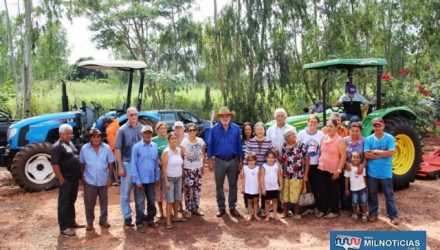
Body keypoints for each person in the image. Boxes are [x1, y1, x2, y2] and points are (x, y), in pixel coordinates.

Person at [207, 106, 243, 217]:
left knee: (233, 185)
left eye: (227, 115)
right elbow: (210, 144)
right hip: (219, 161)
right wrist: (209, 160)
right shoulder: (214, 129)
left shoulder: (236, 128)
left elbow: (239, 145)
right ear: (220, 117)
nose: (225, 117)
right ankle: (221, 207)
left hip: (233, 160)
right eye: (223, 116)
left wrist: (240, 160)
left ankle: (232, 207)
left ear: (230, 117)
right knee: (219, 185)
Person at [364, 117, 399, 225]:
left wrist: (376, 151)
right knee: (372, 194)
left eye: (379, 125)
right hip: (372, 173)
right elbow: (366, 155)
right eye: (375, 125)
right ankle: (373, 213)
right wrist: (383, 154)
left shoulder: (389, 138)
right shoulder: (369, 139)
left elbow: (391, 152)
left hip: (385, 173)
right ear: (373, 127)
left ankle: (393, 215)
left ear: (383, 126)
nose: (377, 127)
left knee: (389, 195)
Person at [51, 124, 85, 236]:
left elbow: (75, 158)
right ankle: (64, 227)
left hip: (74, 178)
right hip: (65, 179)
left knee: (71, 201)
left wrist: (80, 177)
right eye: (68, 133)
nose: (70, 135)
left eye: (71, 133)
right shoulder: (57, 147)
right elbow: (55, 164)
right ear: (61, 134)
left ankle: (71, 222)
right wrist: (61, 178)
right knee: (64, 203)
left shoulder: (70, 144)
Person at [114, 107, 145, 227]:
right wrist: (120, 167)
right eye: (131, 114)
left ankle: (141, 215)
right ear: (127, 116)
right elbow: (117, 149)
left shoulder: (143, 129)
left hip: (140, 165)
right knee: (125, 193)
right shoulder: (121, 130)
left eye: (135, 114)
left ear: (138, 115)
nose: (133, 116)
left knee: (140, 192)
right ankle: (127, 217)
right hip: (127, 164)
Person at [80, 128, 115, 231]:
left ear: (101, 138)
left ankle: (103, 220)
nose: (96, 138)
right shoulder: (84, 149)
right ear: (90, 138)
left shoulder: (107, 148)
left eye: (98, 136)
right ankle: (89, 222)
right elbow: (81, 163)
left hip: (103, 180)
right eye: (93, 136)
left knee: (104, 201)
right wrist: (82, 177)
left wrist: (110, 178)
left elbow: (110, 164)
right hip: (90, 180)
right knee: (89, 202)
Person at [131, 125, 161, 232]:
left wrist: (157, 177)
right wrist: (137, 181)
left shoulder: (154, 146)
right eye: (146, 133)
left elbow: (156, 163)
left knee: (151, 201)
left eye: (149, 133)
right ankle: (139, 223)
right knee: (139, 202)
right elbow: (133, 165)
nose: (148, 135)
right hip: (140, 180)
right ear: (141, 134)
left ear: (152, 134)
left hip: (151, 180)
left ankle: (150, 220)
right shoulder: (136, 147)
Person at [316, 119, 347, 219]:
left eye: (331, 126)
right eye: (327, 126)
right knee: (322, 190)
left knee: (333, 190)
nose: (328, 128)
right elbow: (321, 152)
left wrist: (338, 170)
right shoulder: (324, 137)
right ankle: (323, 209)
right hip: (322, 168)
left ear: (336, 127)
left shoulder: (339, 140)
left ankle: (334, 210)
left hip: (333, 170)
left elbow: (343, 156)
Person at [297, 114, 324, 217]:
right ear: (307, 123)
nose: (313, 124)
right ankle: (306, 207)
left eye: (315, 122)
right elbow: (298, 149)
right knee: (305, 187)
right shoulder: (301, 134)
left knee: (317, 187)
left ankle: (317, 207)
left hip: (318, 165)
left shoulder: (321, 134)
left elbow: (322, 149)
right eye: (311, 122)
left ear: (318, 124)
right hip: (304, 165)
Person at [281, 129, 308, 220]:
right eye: (291, 134)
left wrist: (306, 174)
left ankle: (297, 212)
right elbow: (283, 160)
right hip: (286, 174)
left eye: (294, 134)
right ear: (287, 138)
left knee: (297, 194)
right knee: (285, 194)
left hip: (298, 174)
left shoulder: (301, 145)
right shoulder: (284, 146)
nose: (294, 135)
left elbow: (307, 159)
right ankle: (285, 212)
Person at [181, 123, 206, 218]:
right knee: (188, 190)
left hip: (198, 169)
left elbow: (203, 154)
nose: (192, 132)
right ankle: (188, 209)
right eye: (190, 130)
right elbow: (183, 156)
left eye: (193, 130)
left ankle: (196, 208)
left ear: (196, 131)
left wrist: (202, 166)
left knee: (197, 189)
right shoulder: (184, 142)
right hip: (188, 169)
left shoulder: (201, 141)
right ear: (187, 132)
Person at [162, 132, 185, 229]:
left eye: (176, 138)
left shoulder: (179, 150)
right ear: (168, 140)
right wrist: (166, 181)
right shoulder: (166, 152)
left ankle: (175, 217)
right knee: (170, 200)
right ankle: (168, 221)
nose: (174, 140)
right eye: (172, 138)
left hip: (179, 178)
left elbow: (181, 164)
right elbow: (163, 168)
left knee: (177, 199)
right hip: (170, 179)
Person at [344, 152, 368, 222]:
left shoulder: (362, 167)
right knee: (354, 202)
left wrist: (366, 187)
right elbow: (346, 179)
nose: (356, 159)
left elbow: (364, 178)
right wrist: (346, 189)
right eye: (354, 157)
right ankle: (355, 213)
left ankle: (364, 214)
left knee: (364, 202)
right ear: (350, 159)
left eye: (358, 157)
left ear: (360, 159)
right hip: (353, 189)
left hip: (362, 188)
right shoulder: (348, 168)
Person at [260, 149, 283, 221]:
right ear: (265, 158)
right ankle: (267, 216)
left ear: (275, 158)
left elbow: (279, 176)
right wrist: (263, 188)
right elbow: (261, 178)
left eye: (272, 157)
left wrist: (281, 185)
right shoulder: (264, 166)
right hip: (267, 188)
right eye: (269, 157)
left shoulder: (276, 166)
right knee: (267, 202)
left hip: (275, 187)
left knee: (275, 201)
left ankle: (275, 215)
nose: (270, 159)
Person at [152, 122, 168, 218]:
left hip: (169, 169)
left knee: (168, 190)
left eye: (164, 128)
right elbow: (153, 155)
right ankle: (161, 211)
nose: (163, 130)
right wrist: (160, 163)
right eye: (160, 128)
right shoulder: (153, 141)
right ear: (157, 130)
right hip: (158, 169)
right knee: (159, 191)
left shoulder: (170, 139)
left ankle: (169, 210)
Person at [240, 152, 261, 221]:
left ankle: (255, 214)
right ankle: (250, 214)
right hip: (248, 189)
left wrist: (260, 189)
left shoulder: (258, 168)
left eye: (252, 160)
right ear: (247, 161)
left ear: (255, 161)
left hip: (255, 189)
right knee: (249, 202)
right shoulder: (245, 168)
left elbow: (259, 179)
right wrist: (243, 188)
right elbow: (243, 179)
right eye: (249, 160)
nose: (251, 162)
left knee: (255, 202)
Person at [241, 122, 254, 214]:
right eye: (246, 129)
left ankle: (255, 205)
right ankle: (246, 205)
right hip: (245, 166)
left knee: (255, 185)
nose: (248, 131)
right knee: (246, 185)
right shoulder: (241, 141)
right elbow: (240, 155)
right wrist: (241, 166)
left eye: (249, 129)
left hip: (254, 166)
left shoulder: (255, 140)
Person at [102, 117, 120, 185]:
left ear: (107, 123)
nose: (104, 125)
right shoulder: (116, 123)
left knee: (115, 164)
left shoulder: (109, 130)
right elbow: (116, 119)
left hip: (115, 148)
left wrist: (112, 152)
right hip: (120, 146)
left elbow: (112, 143)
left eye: (104, 124)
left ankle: (117, 180)